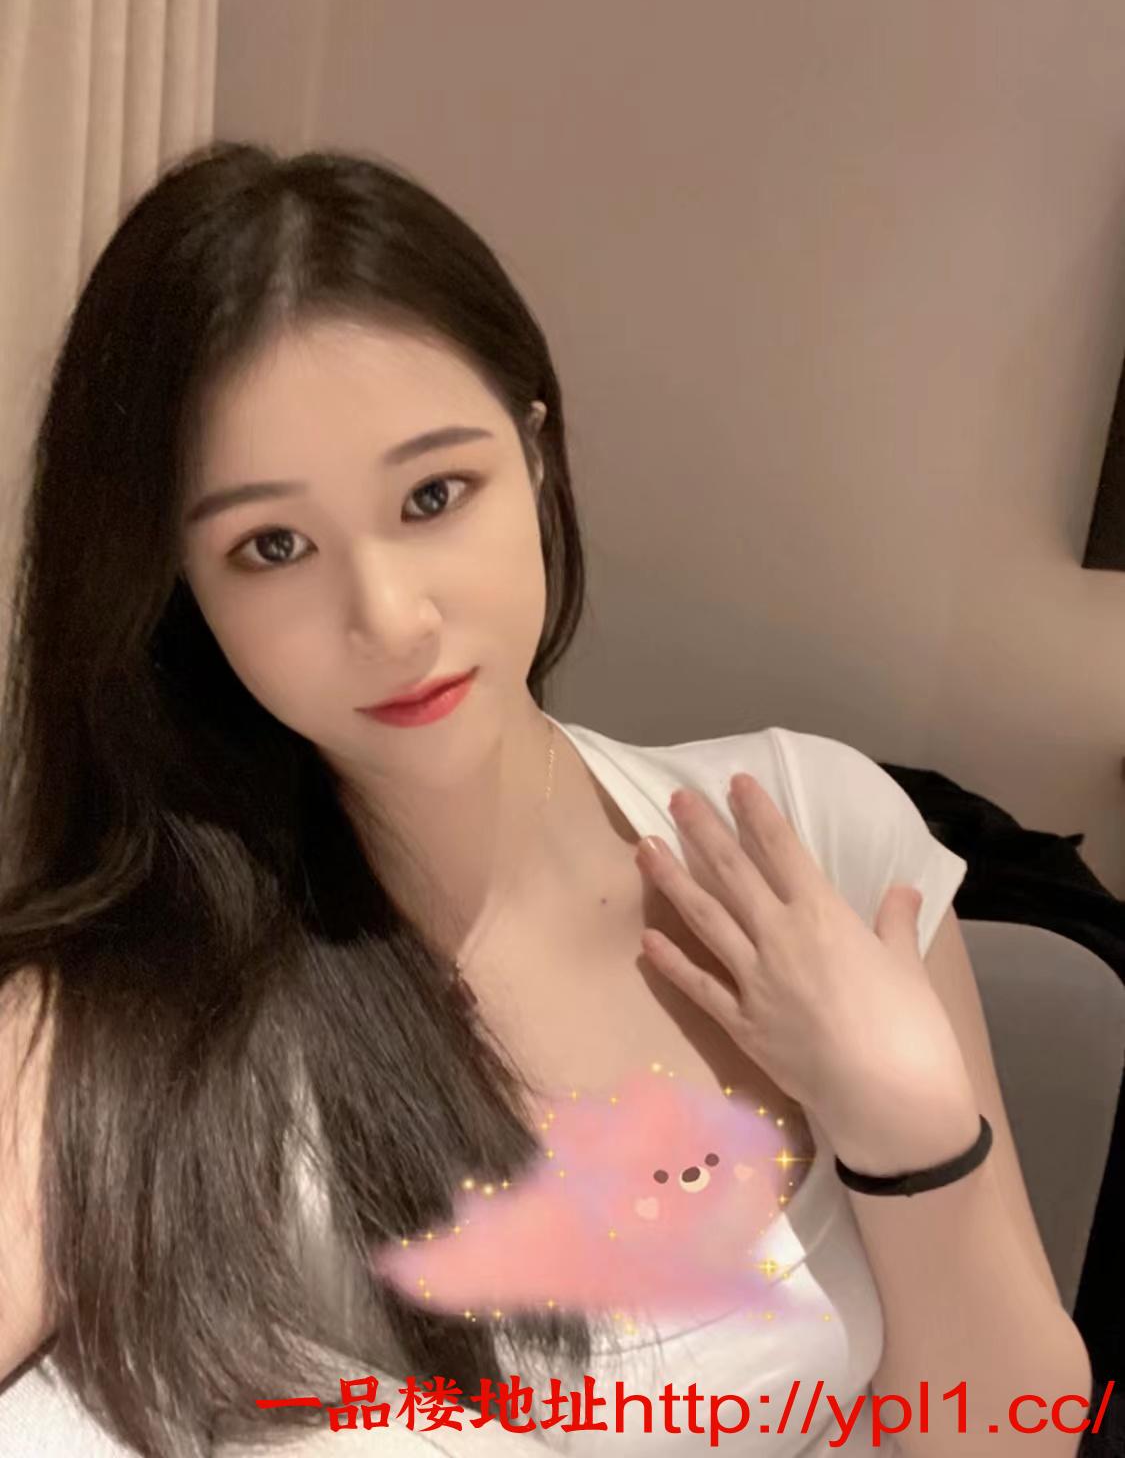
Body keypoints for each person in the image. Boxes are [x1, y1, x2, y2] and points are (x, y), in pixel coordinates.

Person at [0, 142, 1089, 1458]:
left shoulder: (814, 830)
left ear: (534, 452)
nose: (390, 618)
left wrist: (912, 1135)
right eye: (271, 545)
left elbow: (1014, 1434)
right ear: (179, 591)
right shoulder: (124, 1013)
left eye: (433, 494)